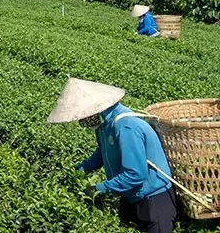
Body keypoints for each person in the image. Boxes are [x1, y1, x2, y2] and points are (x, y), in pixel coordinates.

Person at [48, 78, 176, 233]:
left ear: (96, 109)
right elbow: (103, 152)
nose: (82, 120)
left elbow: (135, 174)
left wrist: (100, 188)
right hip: (130, 196)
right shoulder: (103, 125)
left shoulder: (126, 127)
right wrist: (81, 169)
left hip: (153, 199)